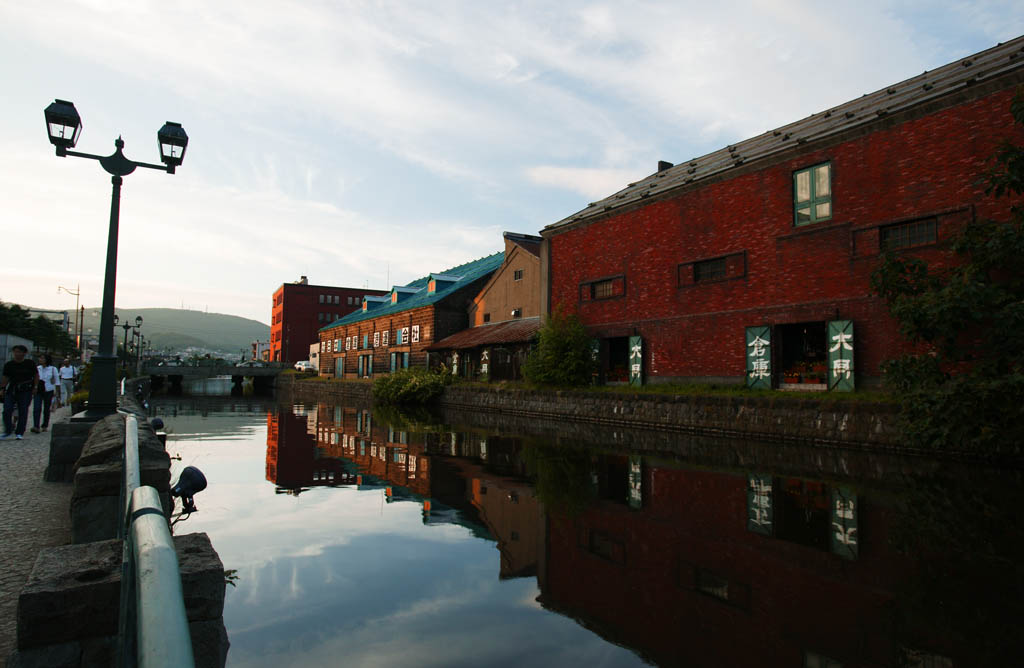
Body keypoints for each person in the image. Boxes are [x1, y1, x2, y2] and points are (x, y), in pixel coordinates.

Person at [1, 345, 39, 440]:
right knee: (7, 410)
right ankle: (8, 430)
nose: (17, 354)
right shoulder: (9, 365)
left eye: (19, 352)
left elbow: (36, 375)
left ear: (24, 353)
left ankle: (20, 432)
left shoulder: (29, 363)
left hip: (25, 390)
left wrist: (35, 386)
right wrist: (2, 388)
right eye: (15, 352)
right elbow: (5, 377)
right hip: (12, 389)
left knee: (23, 411)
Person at [32, 353, 59, 433]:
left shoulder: (53, 369)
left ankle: (45, 425)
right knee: (36, 408)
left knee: (46, 409)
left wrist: (57, 393)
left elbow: (57, 381)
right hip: (38, 390)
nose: (41, 360)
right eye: (40, 358)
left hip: (48, 390)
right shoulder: (37, 368)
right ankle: (36, 426)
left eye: (43, 358)